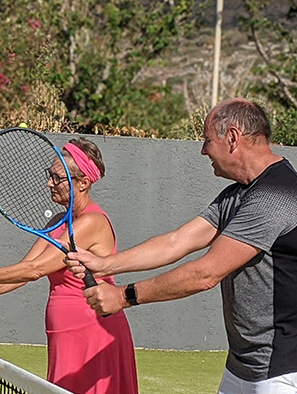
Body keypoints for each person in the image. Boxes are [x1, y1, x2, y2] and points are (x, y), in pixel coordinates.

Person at [65, 98, 297, 394]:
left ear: (233, 138)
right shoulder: (238, 195)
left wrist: (123, 297)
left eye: (207, 140)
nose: (203, 150)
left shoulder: (275, 196)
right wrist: (103, 264)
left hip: (280, 373)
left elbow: (205, 274)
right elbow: (177, 242)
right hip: (241, 368)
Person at [0, 137, 139, 394]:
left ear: (83, 183)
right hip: (64, 335)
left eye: (58, 178)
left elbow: (37, 270)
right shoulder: (61, 220)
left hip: (95, 333)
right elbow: (27, 269)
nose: (49, 182)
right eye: (49, 174)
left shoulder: (91, 222)